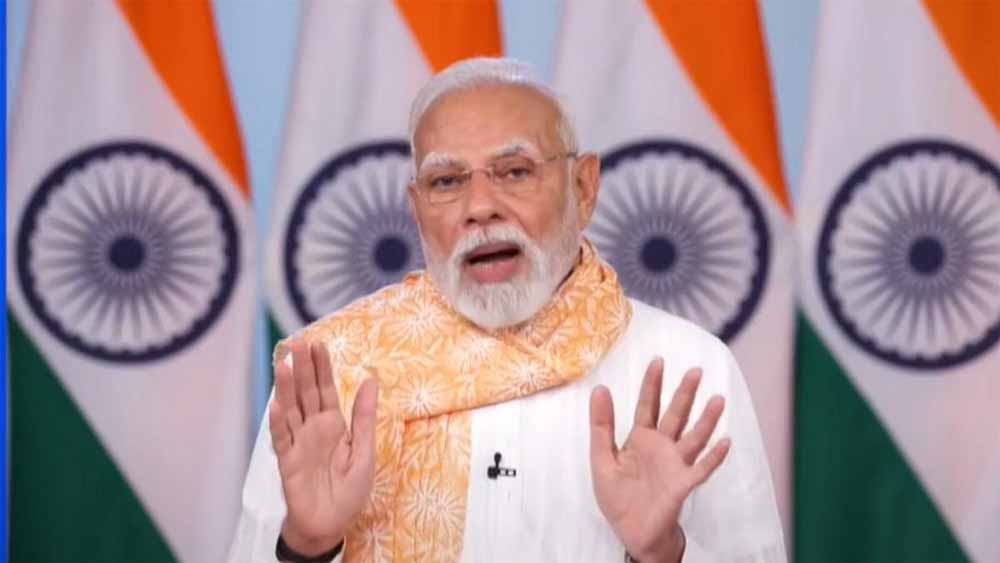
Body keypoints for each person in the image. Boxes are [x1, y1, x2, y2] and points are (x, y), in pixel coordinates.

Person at [229, 57, 785, 563]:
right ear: (417, 210)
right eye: (447, 181)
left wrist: (663, 554)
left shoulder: (686, 367)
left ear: (583, 187)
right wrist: (307, 545)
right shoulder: (330, 372)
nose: (480, 208)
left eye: (515, 171)